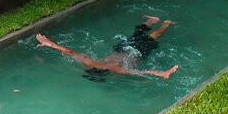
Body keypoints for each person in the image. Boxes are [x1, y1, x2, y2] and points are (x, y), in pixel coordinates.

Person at [35, 15, 180, 79]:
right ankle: (160, 23)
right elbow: (142, 72)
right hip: (128, 50)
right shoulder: (107, 67)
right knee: (144, 36)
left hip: (128, 50)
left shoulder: (104, 67)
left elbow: (71, 52)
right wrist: (161, 73)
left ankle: (160, 22)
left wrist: (51, 44)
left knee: (149, 36)